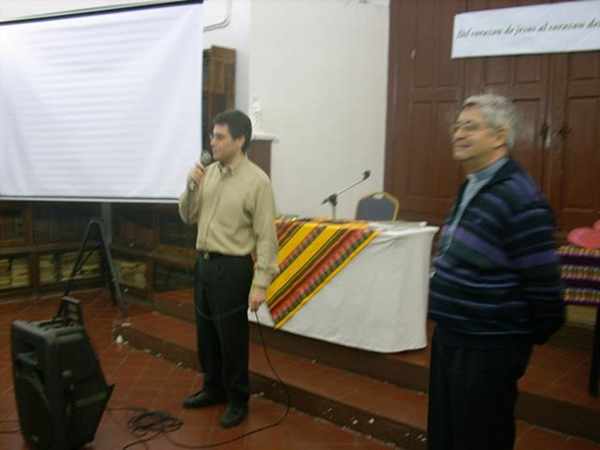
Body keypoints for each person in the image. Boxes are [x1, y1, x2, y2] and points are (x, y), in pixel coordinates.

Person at [427, 94, 564, 450]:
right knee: (446, 432)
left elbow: (544, 286)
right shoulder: (472, 185)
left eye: (470, 127)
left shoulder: (521, 197)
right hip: (452, 334)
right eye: (458, 126)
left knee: (481, 437)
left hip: (488, 345)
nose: (458, 134)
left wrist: (513, 341)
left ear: (500, 136)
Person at [178, 109, 279, 428]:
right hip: (204, 265)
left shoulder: (257, 182)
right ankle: (213, 388)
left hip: (233, 268)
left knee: (231, 338)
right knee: (206, 335)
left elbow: (266, 236)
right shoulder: (207, 174)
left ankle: (237, 399)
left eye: (220, 137)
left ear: (240, 140)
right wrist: (191, 186)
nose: (213, 142)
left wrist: (260, 284)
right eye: (212, 135)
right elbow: (187, 216)